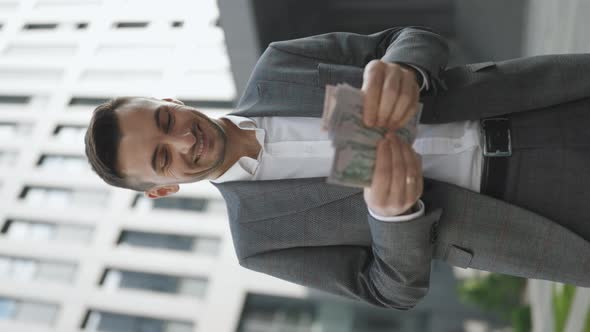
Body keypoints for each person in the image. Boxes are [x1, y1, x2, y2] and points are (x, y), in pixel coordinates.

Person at [84, 26, 590, 310]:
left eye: (166, 119)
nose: (183, 137)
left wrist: (403, 69)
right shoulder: (259, 241)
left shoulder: (277, 66)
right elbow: (389, 289)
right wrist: (393, 220)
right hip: (520, 216)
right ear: (163, 188)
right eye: (162, 157)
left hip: (535, 105)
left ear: (168, 99)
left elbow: (408, 38)